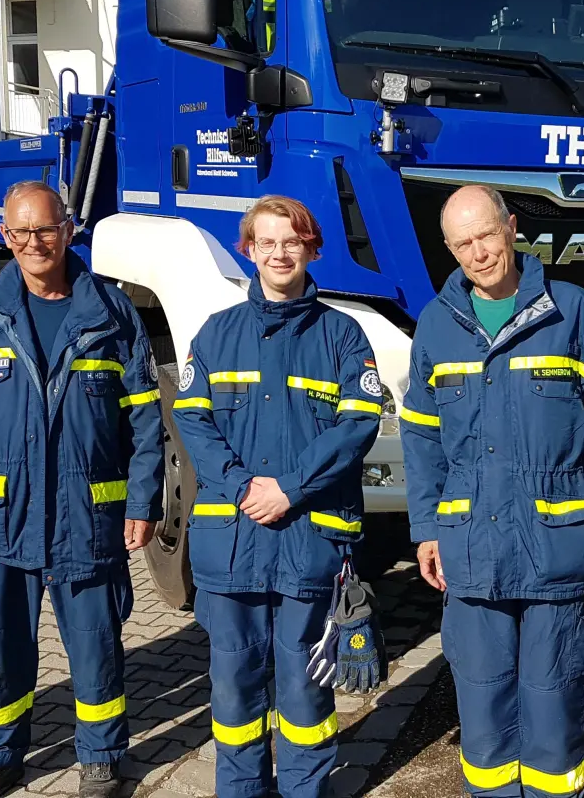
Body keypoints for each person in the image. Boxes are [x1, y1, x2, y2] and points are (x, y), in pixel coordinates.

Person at [0, 181, 164, 798]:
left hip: (87, 515)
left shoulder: (110, 311)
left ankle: (101, 760)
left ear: (69, 229)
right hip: (0, 519)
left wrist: (142, 502)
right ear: (5, 237)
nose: (35, 243)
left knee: (95, 646)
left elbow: (144, 418)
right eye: (22, 232)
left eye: (47, 229)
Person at [401, 185, 584, 797]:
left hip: (555, 548)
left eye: (486, 235)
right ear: (450, 249)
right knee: (483, 720)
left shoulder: (570, 309)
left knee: (555, 716)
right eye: (463, 243)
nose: (478, 252)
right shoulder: (436, 324)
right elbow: (421, 442)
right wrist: (425, 529)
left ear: (512, 227)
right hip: (472, 553)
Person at [172, 195, 381, 798]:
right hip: (232, 547)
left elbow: (358, 425)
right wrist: (243, 487)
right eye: (267, 242)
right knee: (234, 688)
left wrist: (290, 488)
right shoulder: (216, 333)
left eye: (292, 242)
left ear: (311, 248)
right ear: (250, 251)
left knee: (304, 688)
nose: (280, 253)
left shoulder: (344, 335)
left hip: (307, 543)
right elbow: (194, 423)